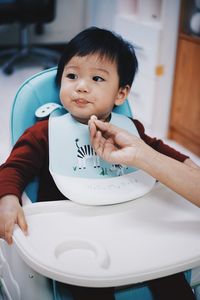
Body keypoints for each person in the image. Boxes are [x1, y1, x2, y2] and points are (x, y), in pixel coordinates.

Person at [0, 27, 197, 300]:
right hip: (74, 228)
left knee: (167, 267)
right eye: (71, 76)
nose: (81, 85)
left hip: (128, 219)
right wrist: (8, 197)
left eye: (96, 78)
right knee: (89, 280)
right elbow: (13, 167)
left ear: (121, 94)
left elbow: (155, 149)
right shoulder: (44, 132)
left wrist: (187, 163)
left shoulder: (129, 129)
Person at [89, 117, 200, 206]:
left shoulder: (132, 127)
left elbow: (155, 146)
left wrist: (187, 162)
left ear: (121, 94)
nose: (82, 88)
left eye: (98, 86)